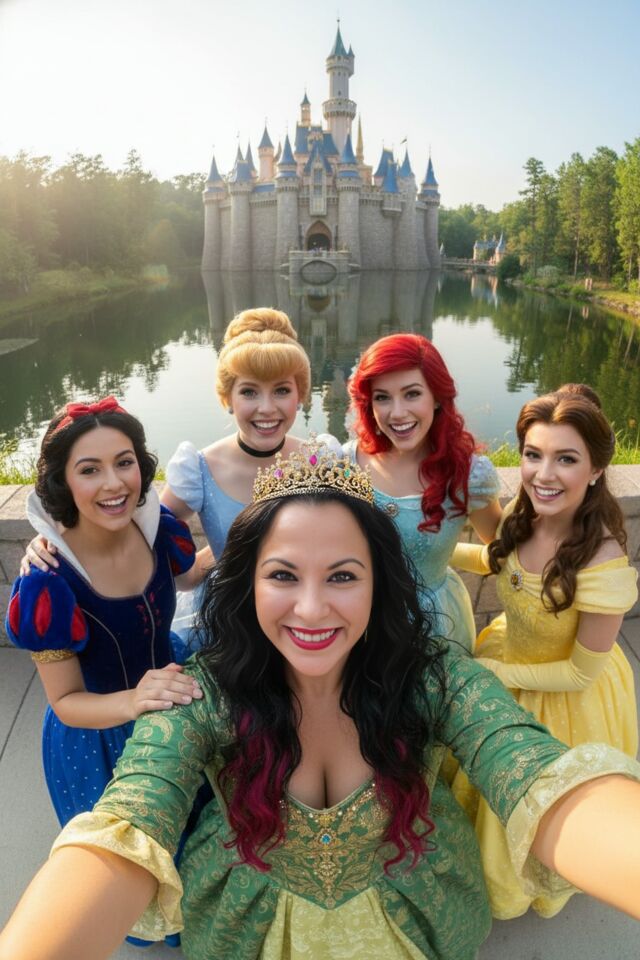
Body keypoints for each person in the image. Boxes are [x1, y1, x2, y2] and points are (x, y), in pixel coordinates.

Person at [2, 443, 640, 960]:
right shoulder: (205, 692)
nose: (311, 610)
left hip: (415, 912)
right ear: (249, 584)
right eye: (283, 575)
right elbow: (130, 819)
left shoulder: (432, 678)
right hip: (249, 926)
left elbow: (532, 770)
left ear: (377, 584)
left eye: (342, 576)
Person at [451, 385, 639, 919]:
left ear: (596, 469)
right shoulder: (524, 512)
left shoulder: (602, 562)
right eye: (533, 455)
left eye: (566, 459)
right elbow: (497, 561)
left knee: (534, 802)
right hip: (509, 652)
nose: (543, 474)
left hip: (563, 695)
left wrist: (495, 672)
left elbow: (580, 675)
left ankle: (523, 884)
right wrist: (431, 555)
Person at [19, 307, 313, 647]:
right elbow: (132, 520)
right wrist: (52, 538)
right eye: (249, 392)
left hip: (307, 612)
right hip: (233, 625)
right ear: (228, 398)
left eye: (281, 390)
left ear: (300, 395)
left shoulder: (321, 459)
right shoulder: (200, 469)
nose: (267, 408)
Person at [4, 397, 210, 828]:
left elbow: (189, 577)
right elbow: (65, 702)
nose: (114, 484)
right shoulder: (47, 584)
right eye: (89, 470)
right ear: (62, 481)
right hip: (102, 736)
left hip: (174, 696)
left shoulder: (157, 528)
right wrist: (135, 700)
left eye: (124, 462)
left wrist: (252, 543)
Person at [347, 332, 502, 654]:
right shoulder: (342, 463)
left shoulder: (468, 476)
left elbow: (503, 548)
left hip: (434, 628)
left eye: (412, 394)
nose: (397, 413)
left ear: (437, 397)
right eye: (382, 397)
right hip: (357, 624)